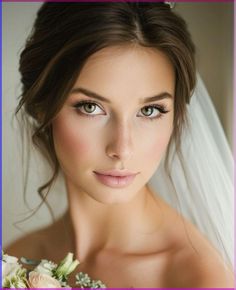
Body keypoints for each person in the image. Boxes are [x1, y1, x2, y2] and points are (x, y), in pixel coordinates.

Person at [4, 2, 234, 288]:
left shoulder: (198, 279)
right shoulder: (17, 259)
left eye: (150, 111)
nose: (122, 148)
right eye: (91, 107)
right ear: (42, 106)